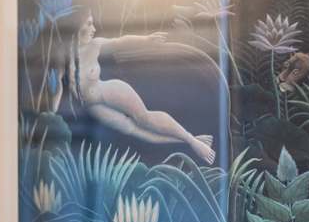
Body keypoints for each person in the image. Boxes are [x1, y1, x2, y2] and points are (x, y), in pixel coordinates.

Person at [66, 9, 216, 164]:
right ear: (76, 26)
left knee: (144, 118)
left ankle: (192, 140)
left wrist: (145, 39)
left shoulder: (95, 45)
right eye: (89, 24)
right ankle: (191, 141)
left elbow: (120, 41)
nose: (94, 29)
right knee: (134, 130)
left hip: (108, 91)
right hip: (93, 106)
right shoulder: (62, 54)